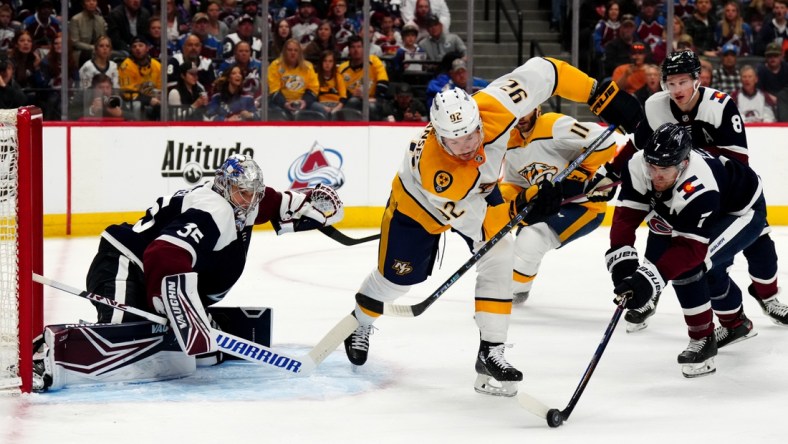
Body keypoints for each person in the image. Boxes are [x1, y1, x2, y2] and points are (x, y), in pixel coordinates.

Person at [342, 56, 645, 396]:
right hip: (421, 206)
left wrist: (598, 93)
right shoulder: (442, 176)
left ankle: (491, 351)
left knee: (500, 254)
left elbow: (548, 71)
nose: (468, 145)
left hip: (482, 195)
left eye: (472, 134)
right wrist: (526, 202)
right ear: (440, 138)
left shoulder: (494, 106)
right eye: (456, 142)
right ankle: (360, 322)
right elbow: (482, 217)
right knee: (397, 280)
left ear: (477, 117)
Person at [31, 154, 344, 391]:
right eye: (243, 193)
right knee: (124, 337)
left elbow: (272, 203)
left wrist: (309, 204)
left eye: (253, 193)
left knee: (192, 356)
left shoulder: (240, 202)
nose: (249, 201)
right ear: (225, 188)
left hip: (151, 272)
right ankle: (46, 354)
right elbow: (164, 254)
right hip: (125, 264)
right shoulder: (214, 209)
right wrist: (177, 311)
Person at [612, 50, 788, 329]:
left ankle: (768, 298)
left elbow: (737, 163)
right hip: (682, 186)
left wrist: (691, 163)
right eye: (670, 83)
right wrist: (612, 172)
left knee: (759, 242)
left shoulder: (719, 106)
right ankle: (649, 291)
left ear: (697, 80)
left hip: (729, 193)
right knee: (662, 228)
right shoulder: (656, 107)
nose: (676, 89)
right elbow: (638, 145)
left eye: (682, 82)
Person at [607, 123, 766, 378]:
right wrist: (623, 267)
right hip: (705, 204)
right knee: (710, 273)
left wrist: (648, 280)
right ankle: (736, 325)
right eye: (653, 166)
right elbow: (626, 218)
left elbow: (689, 250)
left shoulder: (698, 183)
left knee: (690, 266)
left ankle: (703, 341)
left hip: (741, 212)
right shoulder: (638, 165)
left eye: (664, 169)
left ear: (682, 164)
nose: (656, 175)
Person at [502, 107, 618, 304]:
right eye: (516, 111)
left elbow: (605, 140)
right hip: (546, 206)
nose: (521, 116)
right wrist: (514, 199)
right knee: (519, 246)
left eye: (526, 110)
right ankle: (518, 289)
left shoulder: (553, 125)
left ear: (537, 108)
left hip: (582, 206)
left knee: (532, 238)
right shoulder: (510, 142)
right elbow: (514, 183)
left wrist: (578, 175)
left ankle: (508, 292)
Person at [267, 38, 322, 119]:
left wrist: (304, 102)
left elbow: (313, 89)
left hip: (302, 102)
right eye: (290, 50)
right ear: (284, 51)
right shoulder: (275, 65)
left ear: (300, 53)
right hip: (280, 104)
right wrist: (285, 104)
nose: (293, 53)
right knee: (278, 115)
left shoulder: (308, 67)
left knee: (322, 112)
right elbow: (274, 90)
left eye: (296, 50)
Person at [339, 35, 391, 120]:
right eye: (353, 47)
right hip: (352, 100)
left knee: (371, 107)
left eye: (359, 47)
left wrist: (373, 98)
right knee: (353, 101)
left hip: (374, 99)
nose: (356, 50)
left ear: (364, 49)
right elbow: (340, 92)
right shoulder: (342, 69)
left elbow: (383, 81)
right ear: (348, 50)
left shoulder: (373, 60)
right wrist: (352, 95)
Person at [118, 36, 162, 120]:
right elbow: (127, 93)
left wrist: (158, 98)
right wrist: (148, 100)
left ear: (147, 48)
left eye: (140, 45)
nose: (137, 48)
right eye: (134, 46)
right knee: (137, 105)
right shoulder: (126, 66)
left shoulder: (157, 65)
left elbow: (161, 88)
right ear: (131, 50)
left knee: (164, 106)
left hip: (153, 99)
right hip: (132, 101)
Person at [69, 0, 108, 65]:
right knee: (91, 54)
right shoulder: (76, 19)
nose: (91, 3)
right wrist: (94, 48)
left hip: (99, 50)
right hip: (81, 52)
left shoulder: (100, 19)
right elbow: (75, 43)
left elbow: (104, 39)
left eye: (94, 1)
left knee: (117, 54)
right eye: (88, 1)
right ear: (83, 4)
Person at [315, 49, 346, 117]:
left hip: (337, 105)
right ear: (321, 63)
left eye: (330, 61)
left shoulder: (338, 77)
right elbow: (314, 98)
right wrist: (324, 108)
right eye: (325, 61)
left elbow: (343, 97)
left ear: (334, 63)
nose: (327, 64)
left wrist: (336, 109)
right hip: (321, 106)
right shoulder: (315, 77)